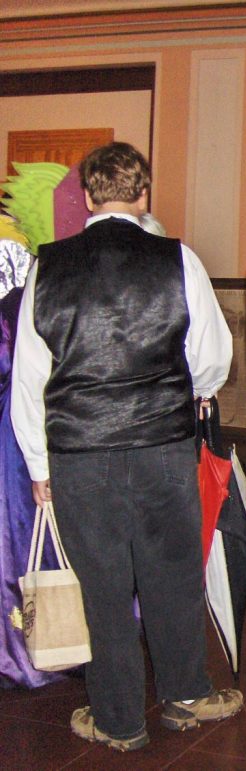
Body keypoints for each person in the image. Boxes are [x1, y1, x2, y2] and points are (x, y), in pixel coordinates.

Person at [11, 141, 239, 750]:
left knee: (103, 589)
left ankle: (118, 720)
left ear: (88, 196)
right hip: (163, 445)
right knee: (173, 576)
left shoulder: (48, 267)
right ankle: (185, 695)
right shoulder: (177, 259)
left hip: (79, 453)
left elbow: (31, 379)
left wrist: (38, 464)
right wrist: (195, 393)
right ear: (144, 194)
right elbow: (212, 356)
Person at [0, 236, 59, 690]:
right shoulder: (31, 292)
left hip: (15, 435)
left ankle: (28, 645)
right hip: (28, 427)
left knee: (19, 536)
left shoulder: (19, 300)